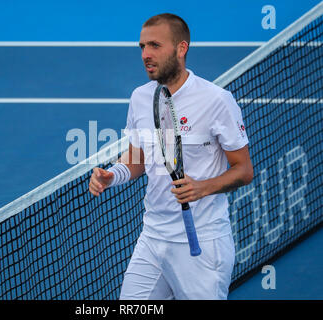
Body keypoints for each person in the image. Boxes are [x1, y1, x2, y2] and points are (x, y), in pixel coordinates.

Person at [88, 13, 253, 300]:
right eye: (142, 47)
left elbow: (243, 170)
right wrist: (112, 175)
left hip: (201, 245)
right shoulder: (140, 97)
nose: (146, 55)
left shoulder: (216, 100)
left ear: (181, 48)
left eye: (154, 45)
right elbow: (138, 160)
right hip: (153, 239)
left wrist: (202, 188)